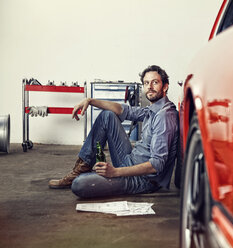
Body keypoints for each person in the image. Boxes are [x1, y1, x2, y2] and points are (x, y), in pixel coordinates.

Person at [48, 65, 179, 198]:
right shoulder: (152, 110)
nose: (150, 86)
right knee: (107, 116)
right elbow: (123, 110)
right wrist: (90, 101)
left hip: (142, 179)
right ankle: (82, 168)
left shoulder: (164, 116)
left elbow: (156, 165)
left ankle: (87, 177)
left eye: (155, 82)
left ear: (165, 87)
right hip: (130, 161)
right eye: (146, 83)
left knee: (79, 185)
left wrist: (115, 172)